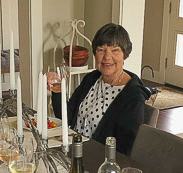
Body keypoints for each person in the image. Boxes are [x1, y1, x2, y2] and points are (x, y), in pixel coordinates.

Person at [50, 23, 151, 155]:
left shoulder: (133, 96)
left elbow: (125, 149)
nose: (107, 57)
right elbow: (66, 118)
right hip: (73, 151)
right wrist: (58, 90)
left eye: (115, 50)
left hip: (98, 162)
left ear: (124, 55)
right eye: (101, 50)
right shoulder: (92, 78)